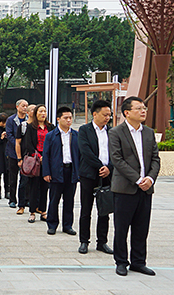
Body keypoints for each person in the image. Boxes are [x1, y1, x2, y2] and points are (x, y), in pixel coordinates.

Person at [109, 96, 160, 276]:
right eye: (139, 108)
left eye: (144, 107)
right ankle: (121, 261)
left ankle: (138, 262)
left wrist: (150, 179)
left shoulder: (148, 132)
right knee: (122, 227)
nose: (143, 110)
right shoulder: (116, 132)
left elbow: (155, 159)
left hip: (146, 189)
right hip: (125, 188)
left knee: (141, 227)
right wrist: (138, 179)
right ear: (127, 113)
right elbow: (117, 160)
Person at [77, 100, 114, 255]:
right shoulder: (84, 130)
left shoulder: (112, 132)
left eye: (109, 115)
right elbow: (85, 152)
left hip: (107, 175)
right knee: (86, 209)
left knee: (104, 210)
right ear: (95, 114)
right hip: (89, 175)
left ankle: (102, 242)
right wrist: (100, 166)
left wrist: (109, 168)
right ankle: (84, 241)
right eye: (105, 115)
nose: (107, 118)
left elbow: (117, 153)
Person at [42, 106, 79, 236]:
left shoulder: (75, 135)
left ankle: (67, 225)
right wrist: (46, 172)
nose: (69, 120)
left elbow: (79, 154)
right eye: (66, 118)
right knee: (54, 199)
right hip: (56, 171)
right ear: (58, 119)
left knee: (69, 200)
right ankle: (52, 224)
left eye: (70, 118)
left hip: (71, 171)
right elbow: (46, 155)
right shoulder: (51, 135)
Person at [17, 104, 53, 224]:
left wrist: (47, 157)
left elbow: (53, 144)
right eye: (40, 111)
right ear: (35, 113)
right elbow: (28, 144)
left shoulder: (50, 127)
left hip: (47, 160)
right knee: (33, 187)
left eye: (45, 111)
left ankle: (43, 211)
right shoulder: (31, 127)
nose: (43, 114)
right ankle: (32, 212)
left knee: (45, 186)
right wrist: (39, 156)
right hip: (35, 160)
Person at [6, 99, 29, 208]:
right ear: (17, 106)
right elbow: (9, 134)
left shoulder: (29, 120)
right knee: (13, 177)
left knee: (25, 178)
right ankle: (12, 199)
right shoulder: (11, 120)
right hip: (13, 153)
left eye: (26, 106)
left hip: (25, 153)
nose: (25, 108)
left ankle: (25, 199)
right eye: (23, 105)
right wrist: (17, 143)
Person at [14, 104, 36, 214]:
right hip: (26, 159)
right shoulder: (23, 126)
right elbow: (17, 143)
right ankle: (21, 205)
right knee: (23, 182)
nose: (35, 111)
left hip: (39, 159)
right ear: (27, 113)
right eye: (32, 109)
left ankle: (36, 205)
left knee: (37, 184)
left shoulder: (42, 126)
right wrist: (19, 158)